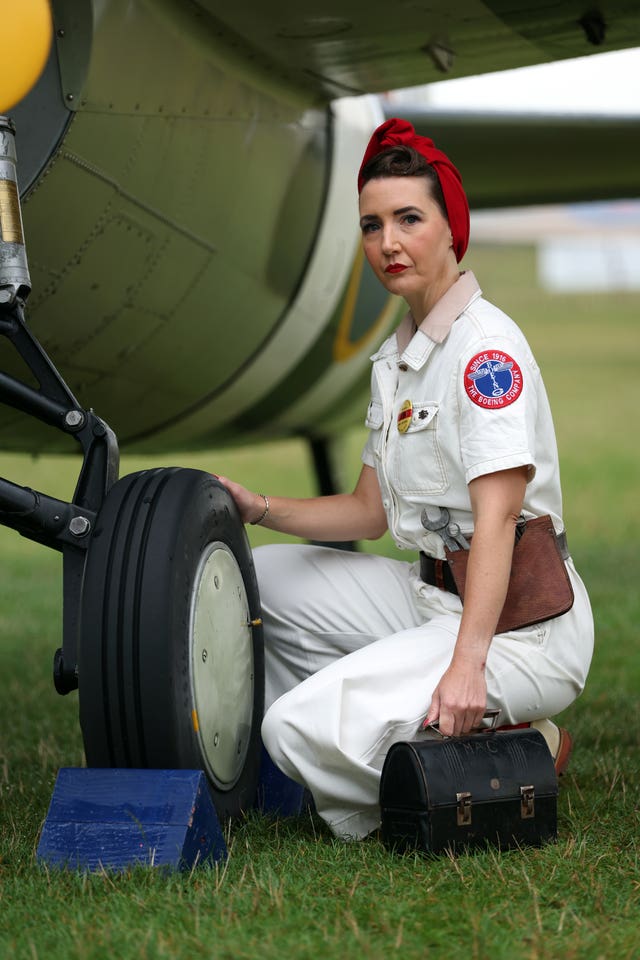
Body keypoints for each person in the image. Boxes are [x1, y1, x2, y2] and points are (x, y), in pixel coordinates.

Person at [218, 117, 594, 840]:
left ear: (452, 228)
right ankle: (400, 732)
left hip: (520, 629)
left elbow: (496, 525)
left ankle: (510, 747)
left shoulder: (486, 354)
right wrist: (259, 507)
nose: (387, 243)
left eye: (408, 219)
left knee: (292, 729)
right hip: (431, 596)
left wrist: (467, 665)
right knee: (259, 578)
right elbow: (367, 512)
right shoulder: (401, 354)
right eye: (371, 224)